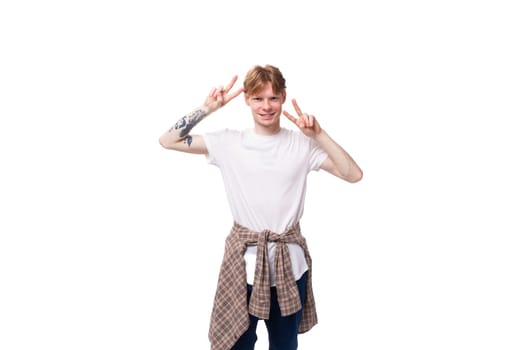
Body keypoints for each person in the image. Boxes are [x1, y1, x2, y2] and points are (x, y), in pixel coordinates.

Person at [159, 64, 362, 350]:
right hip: (242, 268)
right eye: (258, 98)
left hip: (289, 268)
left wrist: (319, 135)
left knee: (284, 346)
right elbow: (167, 141)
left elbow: (353, 174)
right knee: (237, 345)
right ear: (247, 100)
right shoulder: (229, 142)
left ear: (283, 97)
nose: (266, 106)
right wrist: (207, 108)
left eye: (273, 98)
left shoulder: (301, 145)